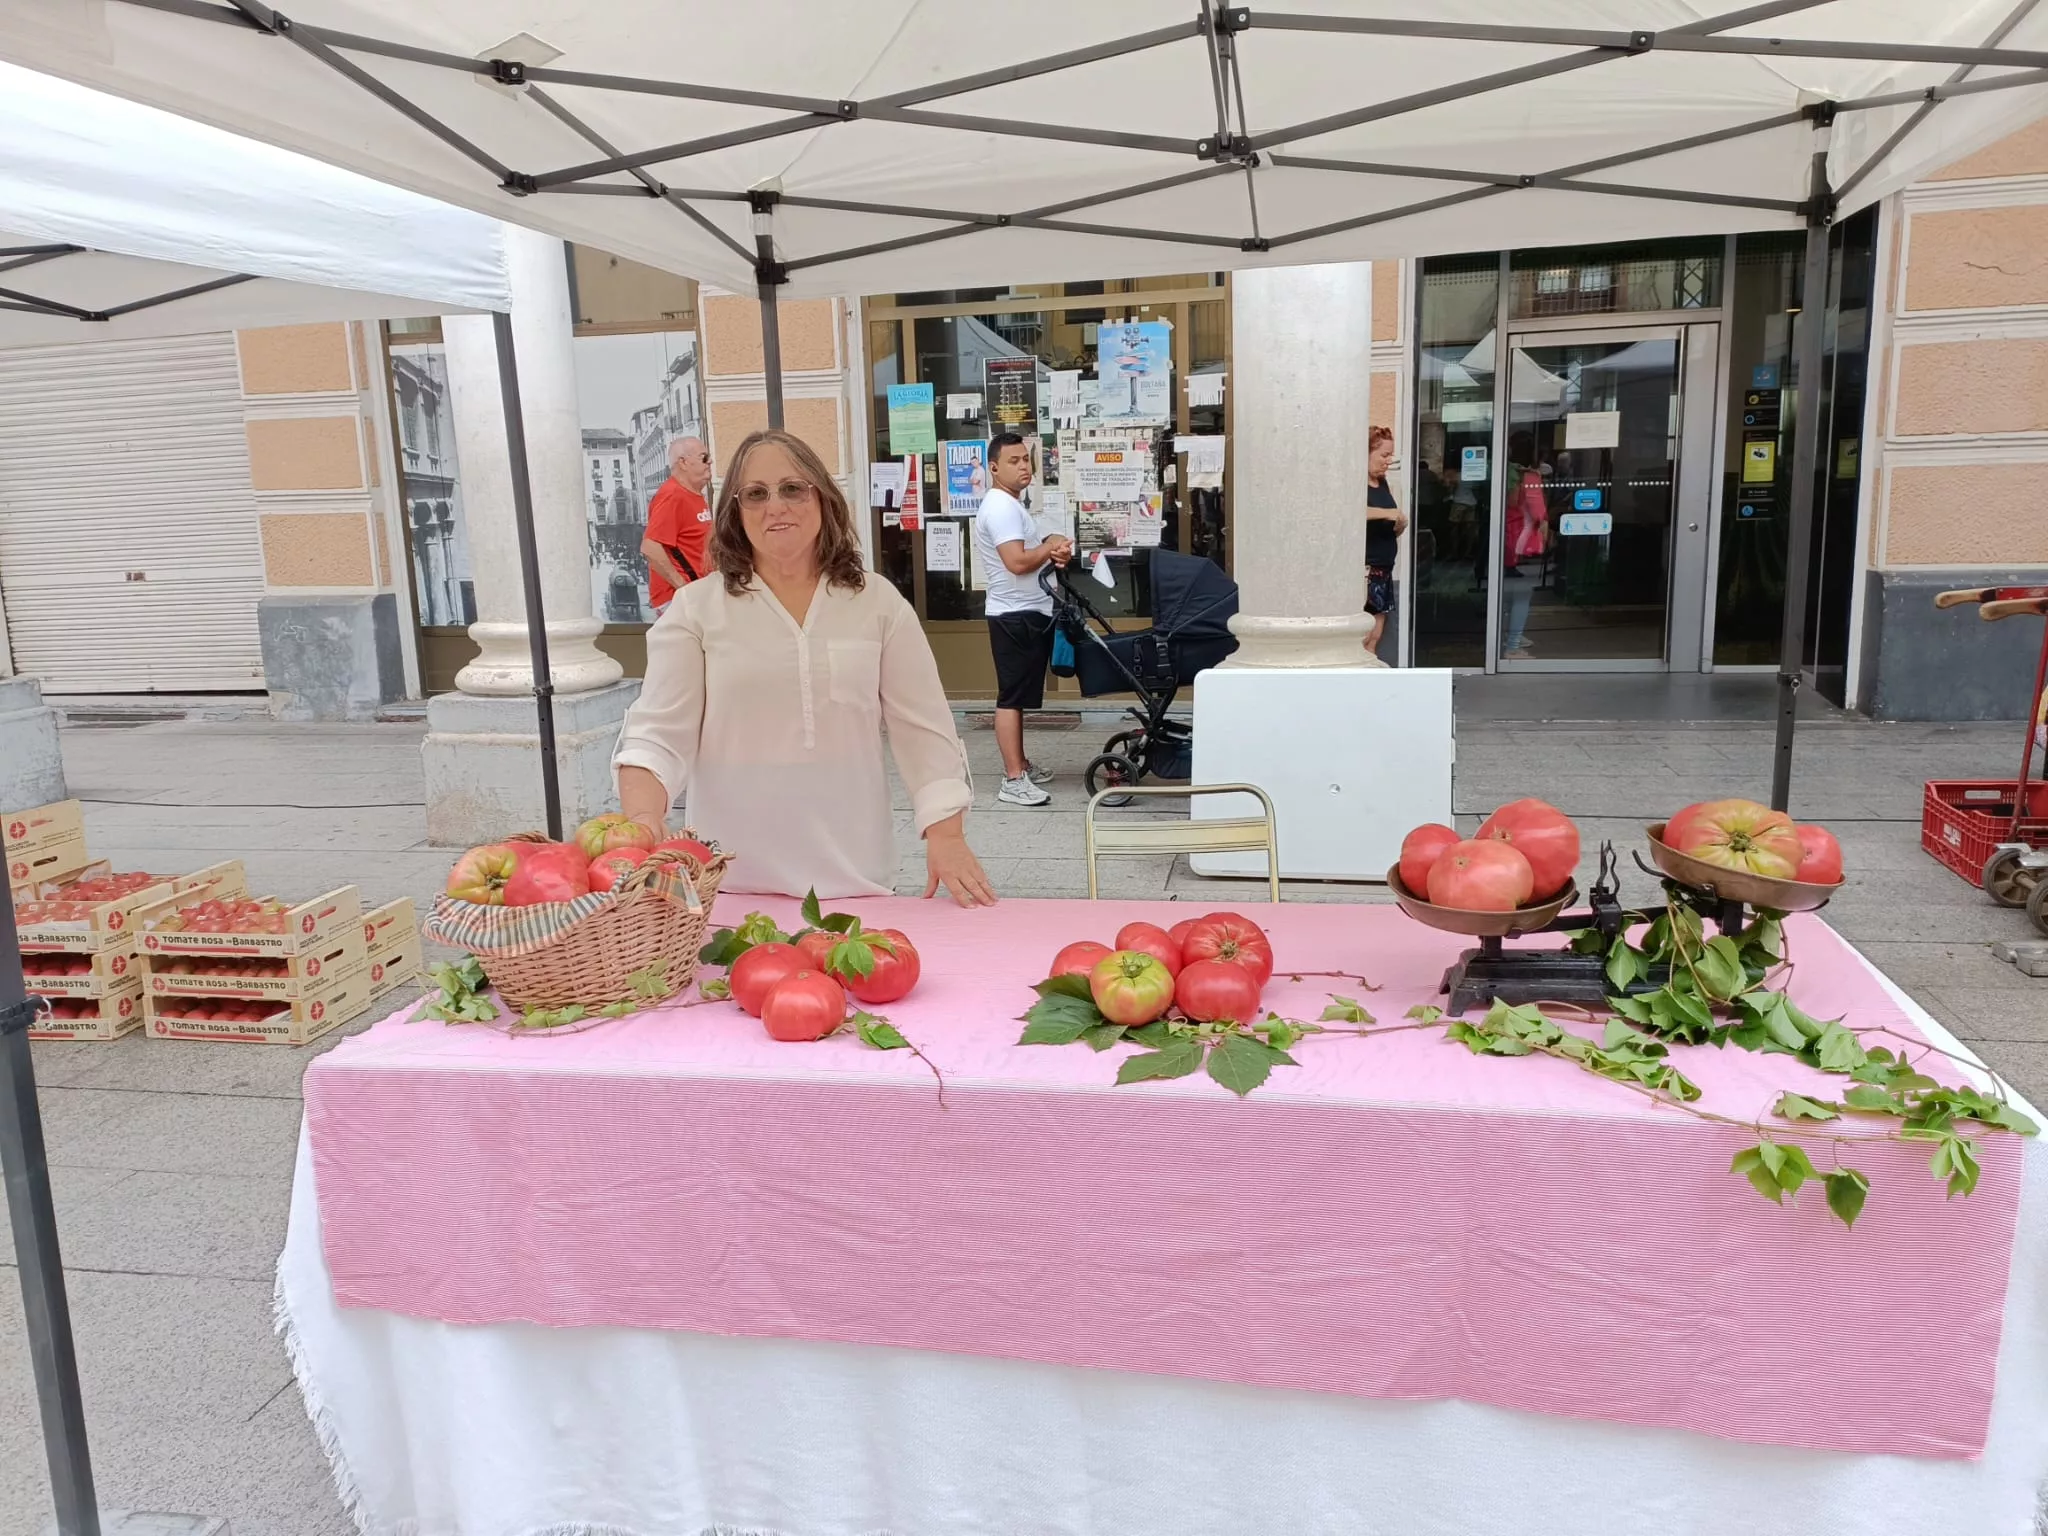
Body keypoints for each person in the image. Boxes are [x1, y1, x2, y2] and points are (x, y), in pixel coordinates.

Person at [615, 429, 995, 905]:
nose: (776, 506)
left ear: (823, 498)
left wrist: (947, 836)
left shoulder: (877, 602)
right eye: (755, 494)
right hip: (729, 885)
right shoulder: (695, 609)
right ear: (735, 513)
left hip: (858, 883)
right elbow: (656, 734)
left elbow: (924, 729)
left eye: (792, 488)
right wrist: (643, 819)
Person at [974, 431, 1072, 807]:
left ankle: (1022, 764)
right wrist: (1049, 548)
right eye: (1013, 461)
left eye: (1026, 460)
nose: (1023, 467)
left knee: (1020, 694)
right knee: (1011, 698)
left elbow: (1033, 552)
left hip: (1027, 611)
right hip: (1013, 614)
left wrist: (1053, 550)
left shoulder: (1013, 505)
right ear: (994, 468)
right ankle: (1013, 779)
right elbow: (1016, 562)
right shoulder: (1000, 507)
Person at [640, 434, 712, 613]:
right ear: (683, 463)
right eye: (704, 457)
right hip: (677, 600)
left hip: (695, 595)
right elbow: (650, 547)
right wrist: (683, 587)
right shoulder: (673, 496)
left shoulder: (693, 495)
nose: (710, 462)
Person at [1362, 425, 1407, 658]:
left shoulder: (1384, 482)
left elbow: (1388, 524)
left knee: (1375, 638)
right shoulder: (1355, 483)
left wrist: (1400, 524)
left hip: (1384, 568)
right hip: (1364, 572)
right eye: (1384, 455)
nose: (1388, 461)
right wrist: (1388, 514)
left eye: (1391, 455)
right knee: (1362, 637)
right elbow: (1351, 513)